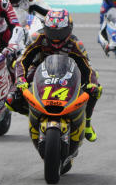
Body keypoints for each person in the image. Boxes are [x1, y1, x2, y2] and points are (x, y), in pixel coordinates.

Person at [15, 9, 101, 141]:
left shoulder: (75, 43)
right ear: (45, 29)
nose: (56, 37)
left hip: (69, 74)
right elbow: (22, 59)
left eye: (60, 32)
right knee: (11, 99)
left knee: (96, 89)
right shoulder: (37, 37)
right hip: (40, 70)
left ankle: (87, 123)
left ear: (69, 29)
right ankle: (36, 114)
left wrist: (92, 83)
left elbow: (88, 67)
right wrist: (20, 78)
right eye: (52, 32)